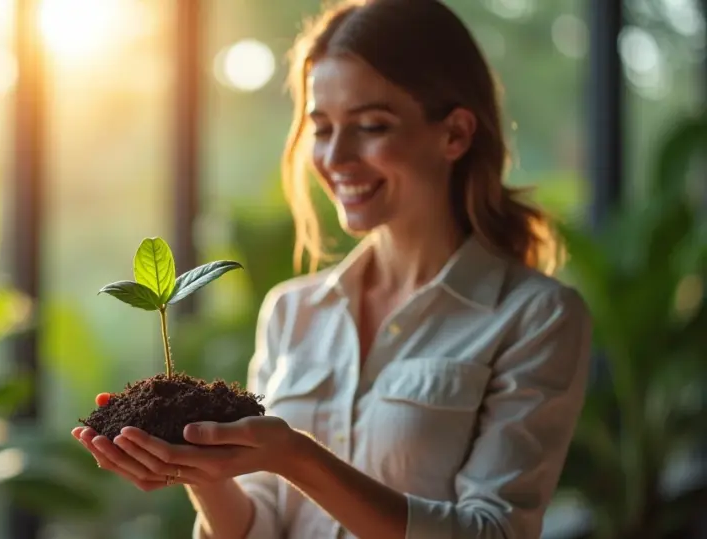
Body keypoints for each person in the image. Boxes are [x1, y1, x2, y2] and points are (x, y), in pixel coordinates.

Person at [72, 0, 592, 537]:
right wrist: (194, 465)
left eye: (371, 126)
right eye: (322, 128)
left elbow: (494, 531)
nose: (337, 158)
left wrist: (297, 458)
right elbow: (260, 525)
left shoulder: (535, 317)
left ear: (455, 134)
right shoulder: (293, 310)